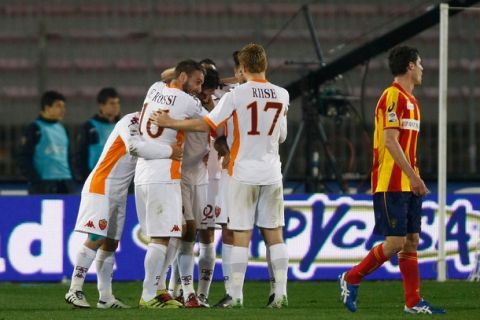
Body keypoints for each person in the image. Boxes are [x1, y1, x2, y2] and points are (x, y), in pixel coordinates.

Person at [150, 43, 290, 308]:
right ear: (265, 65)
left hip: (241, 171)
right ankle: (280, 294)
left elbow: (207, 123)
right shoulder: (282, 94)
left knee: (239, 233)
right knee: (275, 233)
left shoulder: (236, 96)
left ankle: (235, 295)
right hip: (272, 172)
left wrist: (171, 123)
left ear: (243, 68)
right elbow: (282, 135)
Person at [338, 46, 446, 315]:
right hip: (391, 182)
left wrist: (414, 178)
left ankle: (413, 302)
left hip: (409, 183)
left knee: (411, 240)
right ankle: (351, 277)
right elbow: (389, 141)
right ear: (410, 66)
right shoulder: (391, 97)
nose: (422, 69)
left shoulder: (413, 102)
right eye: (419, 64)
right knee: (396, 242)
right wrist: (414, 177)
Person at [64, 111, 182, 309]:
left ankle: (105, 297)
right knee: (96, 237)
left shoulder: (156, 130)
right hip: (102, 185)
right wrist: (170, 150)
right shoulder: (132, 120)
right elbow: (133, 147)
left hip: (119, 191)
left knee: (110, 243)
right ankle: (74, 289)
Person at [134, 59, 205, 309]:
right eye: (197, 81)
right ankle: (148, 294)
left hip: (143, 172)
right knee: (162, 237)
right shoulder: (187, 101)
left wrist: (184, 75)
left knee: (174, 231)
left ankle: (159, 288)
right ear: (184, 77)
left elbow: (167, 74)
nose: (199, 88)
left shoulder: (154, 88)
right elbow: (211, 123)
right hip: (164, 173)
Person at [17, 90, 75, 194]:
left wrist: (72, 178)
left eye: (63, 106)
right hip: (44, 184)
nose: (63, 110)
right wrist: (36, 181)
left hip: (66, 183)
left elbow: (68, 157)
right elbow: (23, 158)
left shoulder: (62, 129)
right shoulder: (35, 129)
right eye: (58, 106)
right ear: (47, 107)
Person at [76, 87, 121, 182]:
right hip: (96, 179)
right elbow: (80, 155)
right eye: (112, 103)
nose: (116, 106)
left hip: (119, 178)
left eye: (117, 103)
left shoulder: (121, 126)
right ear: (101, 105)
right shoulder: (89, 127)